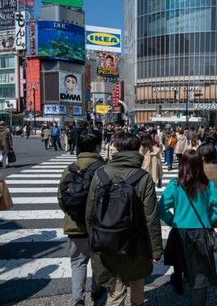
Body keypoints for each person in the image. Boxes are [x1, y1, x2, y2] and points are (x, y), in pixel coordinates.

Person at [85, 132, 163, 306]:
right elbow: (151, 217)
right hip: (135, 242)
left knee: (115, 287)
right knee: (136, 278)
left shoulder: (101, 174)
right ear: (137, 149)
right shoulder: (143, 178)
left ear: (117, 149)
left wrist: (93, 239)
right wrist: (156, 249)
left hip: (105, 239)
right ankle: (137, 302)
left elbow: (90, 212)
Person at [158, 149, 217, 306]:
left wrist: (172, 220)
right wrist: (207, 220)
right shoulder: (207, 185)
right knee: (200, 272)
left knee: (178, 258)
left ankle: (178, 282)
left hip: (179, 229)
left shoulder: (175, 185)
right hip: (200, 231)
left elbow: (161, 209)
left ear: (182, 165)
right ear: (199, 165)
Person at [58, 129, 106, 305]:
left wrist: (72, 214)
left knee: (78, 262)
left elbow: (61, 197)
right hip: (98, 226)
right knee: (98, 259)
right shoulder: (103, 169)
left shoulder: (69, 169)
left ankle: (78, 299)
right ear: (97, 147)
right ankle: (95, 288)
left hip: (75, 225)